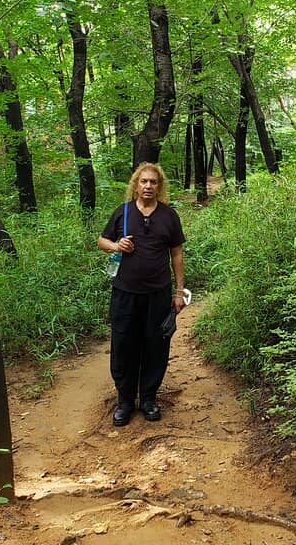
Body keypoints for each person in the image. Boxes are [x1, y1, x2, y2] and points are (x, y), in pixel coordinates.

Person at [98, 162, 186, 426]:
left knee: (156, 345)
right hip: (125, 293)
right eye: (144, 182)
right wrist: (116, 244)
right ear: (136, 185)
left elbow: (177, 254)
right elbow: (101, 241)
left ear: (160, 187)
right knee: (124, 344)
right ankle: (125, 401)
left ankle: (148, 398)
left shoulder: (169, 216)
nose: (148, 186)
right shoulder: (122, 212)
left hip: (158, 294)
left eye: (153, 182)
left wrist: (179, 291)